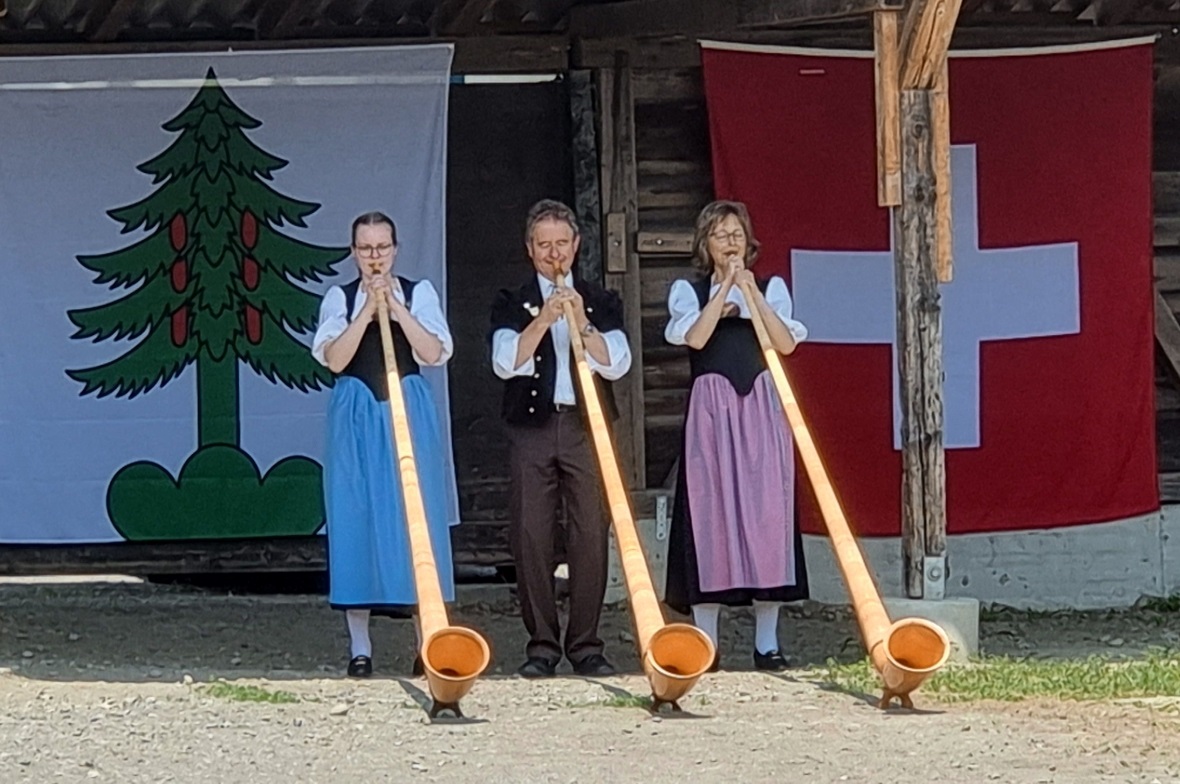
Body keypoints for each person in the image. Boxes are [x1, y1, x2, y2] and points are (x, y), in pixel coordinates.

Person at [663, 200, 810, 672]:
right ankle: (707, 642)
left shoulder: (772, 287)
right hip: (712, 410)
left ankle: (767, 643)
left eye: (736, 233)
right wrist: (723, 289)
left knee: (768, 515)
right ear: (705, 244)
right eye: (720, 234)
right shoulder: (687, 291)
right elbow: (696, 338)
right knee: (711, 515)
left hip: (761, 407)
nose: (730, 241)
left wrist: (751, 295)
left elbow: (785, 343)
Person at [489, 199, 633, 678]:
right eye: (544, 245)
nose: (554, 254)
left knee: (590, 533)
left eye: (562, 244)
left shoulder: (599, 298)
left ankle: (587, 644)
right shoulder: (512, 300)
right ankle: (542, 646)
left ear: (576, 246)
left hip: (585, 428)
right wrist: (544, 319)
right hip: (532, 428)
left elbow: (618, 362)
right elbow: (505, 363)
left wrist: (581, 322)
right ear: (530, 250)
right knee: (531, 535)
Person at [311, 211, 458, 678]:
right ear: (354, 253)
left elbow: (433, 352)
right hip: (356, 409)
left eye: (381, 248)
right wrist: (365, 313)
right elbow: (335, 360)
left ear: (395, 249)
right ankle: (360, 648)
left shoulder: (420, 293)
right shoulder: (339, 298)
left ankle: (428, 640)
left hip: (407, 404)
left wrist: (395, 309)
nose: (374, 258)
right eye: (365, 249)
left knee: (418, 514)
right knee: (356, 515)